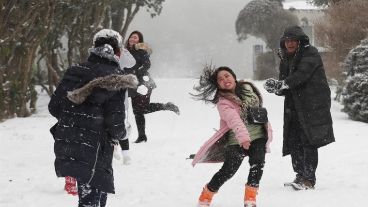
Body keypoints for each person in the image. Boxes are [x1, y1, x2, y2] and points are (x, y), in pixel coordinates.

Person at [48, 28, 138, 207]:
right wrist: (122, 133)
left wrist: (77, 120)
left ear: (93, 47)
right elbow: (116, 124)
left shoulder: (75, 71)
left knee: (87, 196)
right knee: (94, 198)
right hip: (98, 147)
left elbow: (54, 107)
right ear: (117, 52)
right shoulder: (117, 77)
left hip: (71, 142)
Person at [263, 25, 335, 190]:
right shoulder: (285, 57)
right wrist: (276, 88)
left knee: (308, 140)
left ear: (300, 41)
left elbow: (301, 75)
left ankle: (309, 179)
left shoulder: (311, 53)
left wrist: (282, 84)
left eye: (293, 40)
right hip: (294, 106)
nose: (290, 43)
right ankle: (300, 175)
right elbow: (286, 85)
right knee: (293, 140)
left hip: (313, 105)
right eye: (287, 40)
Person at [191, 66, 273, 207]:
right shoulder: (223, 102)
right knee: (228, 170)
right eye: (220, 79)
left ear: (234, 77)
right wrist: (244, 138)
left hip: (259, 135)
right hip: (237, 140)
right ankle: (206, 194)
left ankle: (250, 199)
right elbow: (234, 120)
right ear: (218, 85)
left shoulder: (249, 89)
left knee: (257, 164)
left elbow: (258, 108)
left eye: (227, 76)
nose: (225, 80)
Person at [121, 30, 180, 144]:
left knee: (141, 109)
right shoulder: (125, 52)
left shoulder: (141, 51)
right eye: (131, 37)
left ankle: (166, 106)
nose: (132, 39)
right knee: (138, 111)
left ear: (139, 41)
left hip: (143, 83)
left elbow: (147, 64)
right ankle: (142, 136)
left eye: (135, 38)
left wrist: (136, 72)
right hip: (131, 84)